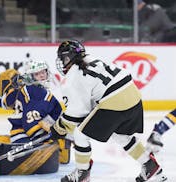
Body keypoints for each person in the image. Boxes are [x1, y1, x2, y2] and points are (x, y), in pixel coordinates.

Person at [49, 40, 167, 182]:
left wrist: (59, 128)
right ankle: (150, 166)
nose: (63, 62)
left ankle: (82, 173)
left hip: (115, 102)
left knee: (80, 134)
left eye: (64, 58)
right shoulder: (92, 60)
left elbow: (77, 113)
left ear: (69, 58)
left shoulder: (73, 77)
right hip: (133, 95)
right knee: (121, 136)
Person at [0, 68, 70, 176]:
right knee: (54, 139)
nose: (42, 76)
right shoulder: (31, 91)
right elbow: (31, 125)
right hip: (23, 134)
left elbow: (3, 103)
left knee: (58, 137)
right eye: (38, 74)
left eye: (43, 72)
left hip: (22, 134)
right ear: (31, 77)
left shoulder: (30, 91)